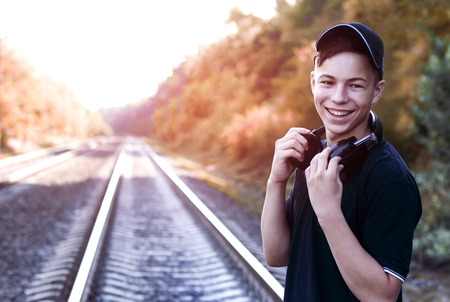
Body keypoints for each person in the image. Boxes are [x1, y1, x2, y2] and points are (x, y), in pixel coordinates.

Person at [261, 23, 422, 301]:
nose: (338, 97)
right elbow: (276, 255)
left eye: (355, 85)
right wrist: (276, 181)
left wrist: (329, 213)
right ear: (313, 82)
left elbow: (382, 296)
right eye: (328, 82)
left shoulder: (390, 178)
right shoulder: (314, 159)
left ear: (377, 91)